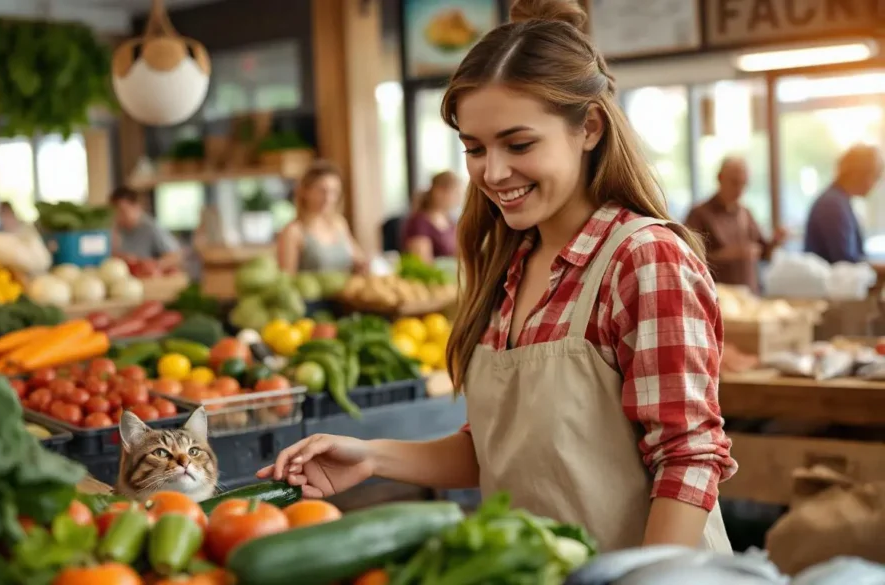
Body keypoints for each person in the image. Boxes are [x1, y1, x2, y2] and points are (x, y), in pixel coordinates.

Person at [258, 0, 736, 553]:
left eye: (519, 144)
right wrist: (371, 455)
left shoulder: (644, 259)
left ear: (589, 128)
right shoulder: (507, 265)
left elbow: (687, 458)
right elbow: (502, 451)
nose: (493, 172)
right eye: (474, 148)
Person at [685, 157, 787, 292]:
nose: (739, 189)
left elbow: (763, 253)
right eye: (734, 182)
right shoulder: (699, 214)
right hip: (718, 297)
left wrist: (775, 241)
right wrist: (726, 255)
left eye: (743, 184)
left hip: (749, 296)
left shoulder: (746, 213)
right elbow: (688, 259)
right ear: (720, 178)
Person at [277, 160, 367, 274]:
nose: (328, 198)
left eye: (334, 192)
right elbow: (286, 280)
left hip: (345, 291)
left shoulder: (339, 224)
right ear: (305, 191)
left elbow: (360, 259)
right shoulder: (293, 232)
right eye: (321, 191)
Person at [805, 144, 884, 264]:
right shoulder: (832, 205)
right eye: (875, 176)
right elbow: (845, 263)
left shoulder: (839, 201)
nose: (875, 184)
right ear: (859, 174)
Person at [110, 187, 183, 271]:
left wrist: (156, 264)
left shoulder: (151, 227)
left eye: (122, 211)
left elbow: (176, 255)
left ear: (136, 207)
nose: (118, 216)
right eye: (114, 211)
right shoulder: (115, 228)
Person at [402, 171, 461, 262]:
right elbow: (423, 263)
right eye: (455, 192)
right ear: (438, 192)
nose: (458, 197)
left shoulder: (451, 222)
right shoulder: (419, 223)